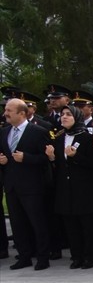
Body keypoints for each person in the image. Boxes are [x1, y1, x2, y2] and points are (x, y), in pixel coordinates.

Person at [1, 97, 53, 269]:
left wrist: (27, 158)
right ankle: (24, 256)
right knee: (17, 223)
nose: (5, 113)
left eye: (9, 111)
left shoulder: (37, 131)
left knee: (37, 222)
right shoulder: (4, 132)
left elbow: (46, 159)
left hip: (32, 186)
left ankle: (43, 257)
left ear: (21, 113)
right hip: (12, 185)